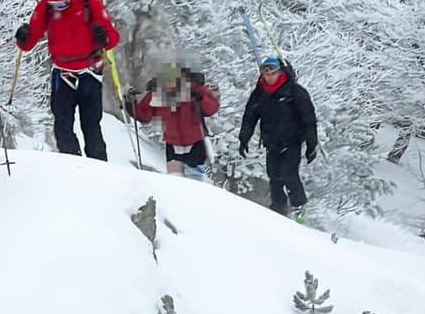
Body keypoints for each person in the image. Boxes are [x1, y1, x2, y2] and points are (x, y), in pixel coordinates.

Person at [15, 0, 120, 160]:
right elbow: (29, 41)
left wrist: (103, 37)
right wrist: (23, 37)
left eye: (63, 3)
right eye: (54, 4)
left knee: (91, 124)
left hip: (89, 70)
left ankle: (100, 168)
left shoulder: (91, 4)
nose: (59, 8)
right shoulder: (45, 8)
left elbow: (113, 38)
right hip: (62, 72)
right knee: (62, 125)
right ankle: (72, 165)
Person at [239, 56, 318, 216]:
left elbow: (309, 119)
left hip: (292, 141)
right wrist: (244, 138)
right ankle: (278, 210)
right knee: (274, 176)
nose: (269, 77)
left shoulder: (295, 91)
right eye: (265, 74)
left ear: (280, 72)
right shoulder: (260, 92)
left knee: (289, 173)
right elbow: (250, 116)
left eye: (272, 73)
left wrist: (311, 145)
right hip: (271, 142)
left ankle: (299, 207)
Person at [130, 62, 220, 175]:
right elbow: (144, 115)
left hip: (195, 142)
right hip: (172, 144)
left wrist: (202, 98)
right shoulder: (159, 94)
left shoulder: (195, 90)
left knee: (196, 181)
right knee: (175, 181)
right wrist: (131, 104)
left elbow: (211, 109)